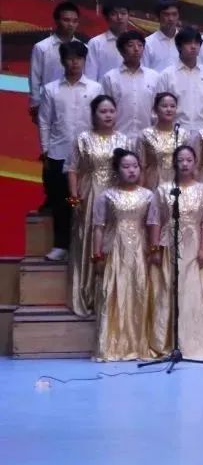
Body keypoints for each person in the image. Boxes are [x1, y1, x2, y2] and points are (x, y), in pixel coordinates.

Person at [146, 144, 203, 360]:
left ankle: (194, 342)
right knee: (169, 289)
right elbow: (155, 220)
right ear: (174, 163)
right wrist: (155, 248)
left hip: (193, 245)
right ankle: (166, 342)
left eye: (189, 160)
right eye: (180, 160)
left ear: (195, 163)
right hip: (169, 244)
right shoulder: (163, 189)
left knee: (192, 290)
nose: (185, 164)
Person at [91, 149, 158, 362]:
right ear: (117, 170)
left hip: (140, 250)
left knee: (139, 293)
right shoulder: (106, 196)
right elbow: (99, 227)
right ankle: (112, 345)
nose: (131, 171)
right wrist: (97, 255)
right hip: (115, 250)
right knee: (114, 294)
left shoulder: (148, 196)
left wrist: (154, 250)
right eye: (126, 167)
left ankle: (138, 345)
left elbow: (152, 225)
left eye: (135, 166)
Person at [69, 95, 133, 317]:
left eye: (111, 111)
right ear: (94, 115)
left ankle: (111, 296)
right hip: (90, 194)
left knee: (112, 240)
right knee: (89, 238)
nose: (108, 115)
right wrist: (74, 198)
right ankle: (87, 293)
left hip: (116, 195)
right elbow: (73, 169)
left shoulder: (124, 140)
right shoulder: (83, 139)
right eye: (103, 111)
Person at [37, 40, 101, 261]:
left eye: (79, 59)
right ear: (63, 61)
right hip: (58, 151)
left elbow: (99, 118)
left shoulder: (95, 88)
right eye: (70, 59)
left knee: (88, 200)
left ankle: (88, 246)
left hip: (88, 153)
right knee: (60, 201)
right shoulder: (51, 89)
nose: (75, 63)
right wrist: (45, 150)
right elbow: (44, 121)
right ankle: (61, 245)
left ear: (84, 61)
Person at [102, 30, 162, 138]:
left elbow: (158, 109)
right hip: (118, 137)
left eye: (140, 45)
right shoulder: (110, 77)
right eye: (130, 45)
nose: (136, 49)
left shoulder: (154, 77)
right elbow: (104, 110)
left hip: (147, 138)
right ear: (121, 50)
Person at [28, 0, 80, 121]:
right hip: (49, 104)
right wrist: (35, 104)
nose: (71, 24)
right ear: (56, 21)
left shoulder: (83, 48)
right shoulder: (42, 47)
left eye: (75, 21)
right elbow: (34, 78)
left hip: (77, 104)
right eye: (66, 20)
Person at [158, 27, 203, 132]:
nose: (193, 47)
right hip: (175, 132)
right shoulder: (167, 75)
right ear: (179, 46)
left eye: (197, 43)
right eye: (188, 43)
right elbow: (158, 108)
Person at [137, 92, 193, 188]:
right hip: (153, 184)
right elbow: (141, 167)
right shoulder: (145, 135)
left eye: (172, 106)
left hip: (177, 184)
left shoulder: (184, 135)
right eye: (164, 106)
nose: (169, 109)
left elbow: (189, 165)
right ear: (155, 109)